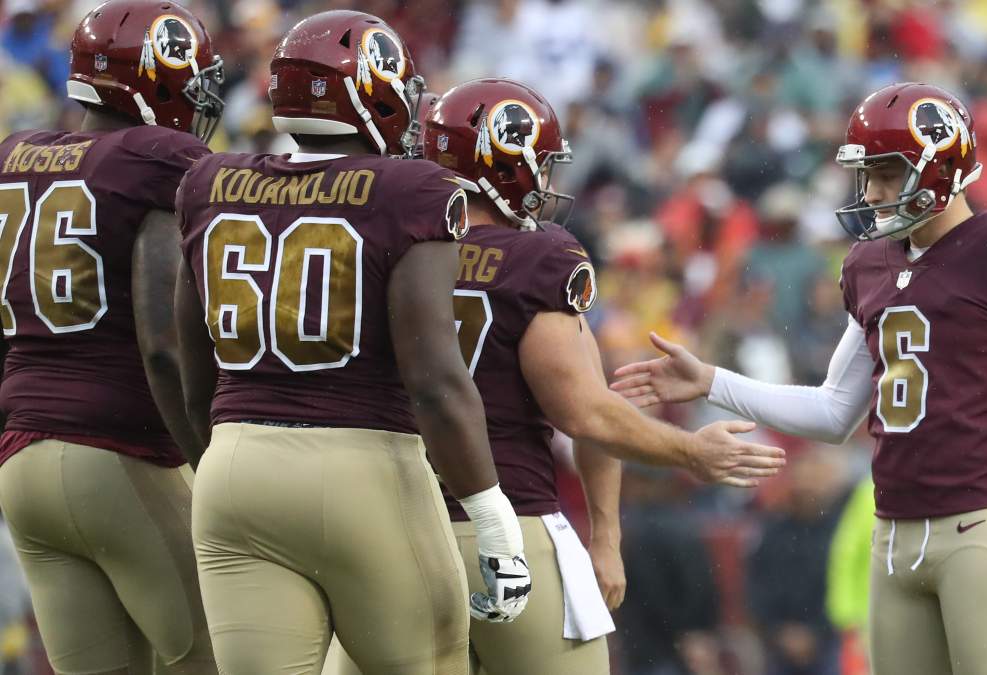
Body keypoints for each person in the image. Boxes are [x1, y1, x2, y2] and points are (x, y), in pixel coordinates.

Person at [612, 82, 987, 675]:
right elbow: (833, 411)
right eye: (867, 174)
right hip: (892, 536)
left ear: (940, 167)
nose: (871, 192)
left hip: (981, 526)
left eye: (887, 173)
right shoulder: (870, 264)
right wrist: (711, 382)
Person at [328, 77, 785, 675]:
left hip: (387, 534)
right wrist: (689, 454)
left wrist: (608, 535)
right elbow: (586, 413)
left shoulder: (380, 244)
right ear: (503, 164)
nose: (544, 181)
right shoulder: (537, 257)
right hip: (506, 527)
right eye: (539, 164)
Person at [174, 12, 527, 674]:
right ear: (373, 95)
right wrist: (490, 511)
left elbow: (189, 367)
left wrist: (224, 459)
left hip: (233, 467)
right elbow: (434, 379)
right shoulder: (413, 190)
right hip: (362, 465)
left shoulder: (207, 182)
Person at [0, 1, 223, 672]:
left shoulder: (15, 156)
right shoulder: (156, 159)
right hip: (119, 452)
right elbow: (163, 343)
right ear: (154, 82)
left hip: (22, 463)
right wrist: (211, 463)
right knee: (218, 656)